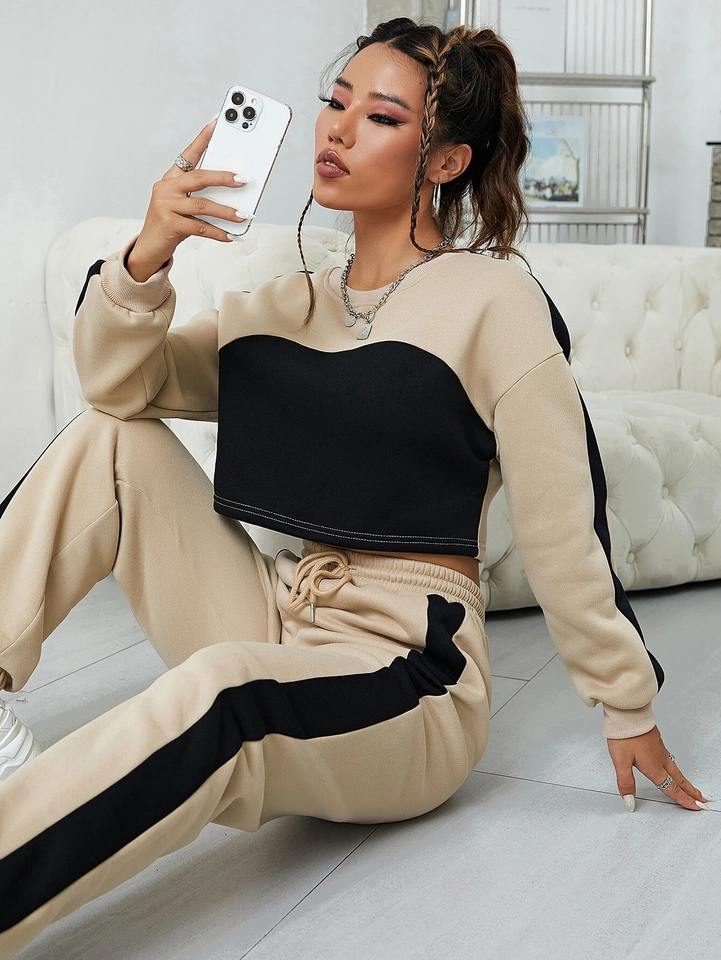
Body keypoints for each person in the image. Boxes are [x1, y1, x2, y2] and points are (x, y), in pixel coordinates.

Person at [0, 17, 709, 957]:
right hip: (276, 612)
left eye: (379, 116)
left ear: (445, 160)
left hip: (410, 673)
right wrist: (149, 254)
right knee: (110, 442)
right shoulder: (288, 297)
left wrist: (626, 703)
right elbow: (118, 387)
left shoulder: (494, 301)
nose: (335, 129)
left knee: (223, 692)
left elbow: (562, 525)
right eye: (335, 104)